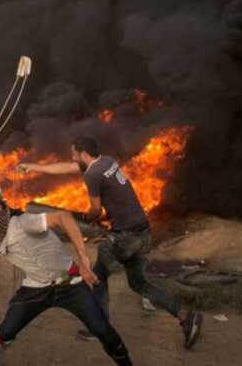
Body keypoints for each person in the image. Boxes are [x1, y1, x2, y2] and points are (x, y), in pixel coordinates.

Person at [17, 135, 203, 349]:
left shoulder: (93, 175)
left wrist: (87, 218)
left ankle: (99, 327)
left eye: (74, 153)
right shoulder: (106, 161)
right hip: (142, 232)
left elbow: (95, 210)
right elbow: (66, 167)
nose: (72, 156)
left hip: (125, 237)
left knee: (97, 277)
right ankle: (184, 315)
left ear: (84, 154)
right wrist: (31, 166)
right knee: (138, 283)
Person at [0, 187, 134, 366]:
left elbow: (62, 217)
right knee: (5, 332)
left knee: (103, 331)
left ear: (4, 206)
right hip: (35, 289)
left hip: (70, 284)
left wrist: (83, 259)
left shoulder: (22, 222)